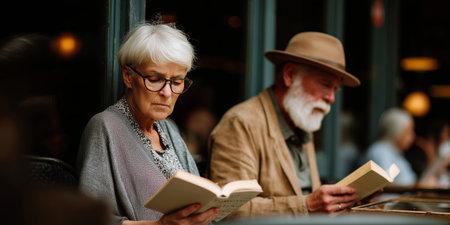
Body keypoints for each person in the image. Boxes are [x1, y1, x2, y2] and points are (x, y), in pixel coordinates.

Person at [76, 22, 219, 225]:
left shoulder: (169, 128)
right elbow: (88, 218)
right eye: (155, 79)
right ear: (128, 76)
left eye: (177, 82)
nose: (167, 93)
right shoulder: (105, 126)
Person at [207, 32, 361, 219]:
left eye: (335, 89)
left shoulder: (301, 121)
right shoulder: (240, 123)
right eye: (325, 84)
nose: (331, 98)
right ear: (290, 75)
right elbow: (228, 209)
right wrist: (306, 206)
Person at [365, 107, 417, 186]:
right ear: (396, 131)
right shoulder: (381, 151)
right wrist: (418, 185)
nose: (412, 137)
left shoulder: (395, 153)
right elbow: (385, 183)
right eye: (408, 132)